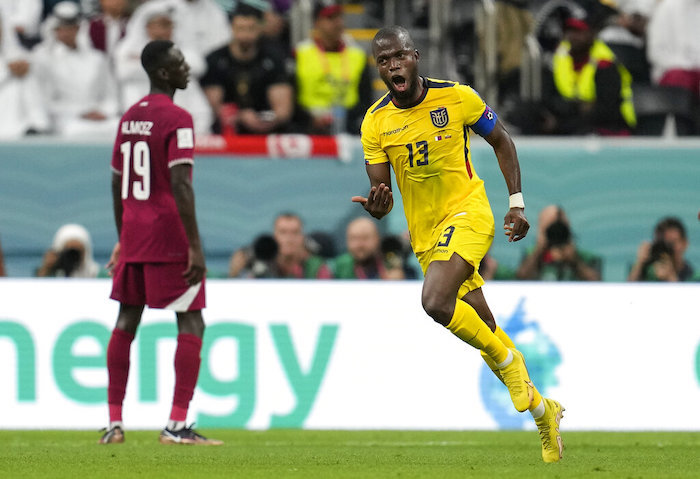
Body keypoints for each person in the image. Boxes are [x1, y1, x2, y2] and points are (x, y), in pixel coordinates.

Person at [352, 26, 564, 463]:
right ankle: (546, 413)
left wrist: (517, 204)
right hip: (427, 235)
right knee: (482, 324)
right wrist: (377, 205)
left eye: (399, 56)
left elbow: (502, 140)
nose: (393, 65)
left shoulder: (457, 97)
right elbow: (381, 191)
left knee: (433, 301)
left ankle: (511, 363)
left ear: (415, 57)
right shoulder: (375, 122)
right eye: (383, 61)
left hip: (469, 213)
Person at [100, 39, 221, 446]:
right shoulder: (179, 118)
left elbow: (117, 182)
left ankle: (114, 424)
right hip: (168, 234)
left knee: (125, 322)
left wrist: (122, 239)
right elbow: (180, 184)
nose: (188, 68)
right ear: (165, 72)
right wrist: (195, 246)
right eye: (181, 63)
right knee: (191, 320)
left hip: (134, 232)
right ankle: (176, 425)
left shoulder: (129, 118)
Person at [113, 1, 213, 134]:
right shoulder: (128, 48)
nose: (164, 31)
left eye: (168, 26)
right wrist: (169, 65)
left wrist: (150, 65)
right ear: (147, 27)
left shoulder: (183, 51)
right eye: (159, 25)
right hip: (143, 123)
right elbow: (124, 71)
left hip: (183, 129)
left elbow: (198, 66)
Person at [199, 3, 294, 134]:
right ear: (231, 28)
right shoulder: (215, 60)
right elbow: (213, 107)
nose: (245, 35)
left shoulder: (274, 59)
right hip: (227, 131)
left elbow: (283, 110)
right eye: (241, 28)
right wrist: (240, 116)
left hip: (268, 130)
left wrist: (265, 121)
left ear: (260, 28)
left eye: (251, 28)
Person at [542, 6, 636, 135]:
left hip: (612, 126)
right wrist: (578, 106)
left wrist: (566, 114)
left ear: (592, 34)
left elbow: (605, 110)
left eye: (579, 32)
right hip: (574, 121)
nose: (573, 36)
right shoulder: (559, 57)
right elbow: (550, 97)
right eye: (570, 31)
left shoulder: (605, 61)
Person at [32, 1, 120, 138]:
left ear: (78, 29)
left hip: (100, 116)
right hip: (65, 118)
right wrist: (81, 112)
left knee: (120, 127)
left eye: (71, 28)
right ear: (55, 30)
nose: (67, 32)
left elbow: (111, 95)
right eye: (62, 28)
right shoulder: (43, 59)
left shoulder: (96, 58)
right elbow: (45, 101)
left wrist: (104, 112)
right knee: (76, 131)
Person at [294, 0, 372, 135]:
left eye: (339, 17)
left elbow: (366, 99)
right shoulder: (300, 54)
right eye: (330, 18)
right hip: (308, 127)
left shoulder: (358, 55)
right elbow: (293, 97)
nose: (338, 23)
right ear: (317, 23)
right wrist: (310, 118)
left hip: (348, 126)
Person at [516, 205, 601, 281]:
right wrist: (539, 251)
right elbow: (521, 278)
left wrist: (575, 261)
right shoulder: (530, 255)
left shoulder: (586, 257)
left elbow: (596, 282)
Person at [647, 0, 700, 100]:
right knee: (680, 77)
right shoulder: (667, 7)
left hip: (696, 71)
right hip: (673, 70)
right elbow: (656, 53)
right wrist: (687, 66)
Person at [332, 217, 406, 280]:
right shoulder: (339, 266)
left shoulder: (391, 263)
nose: (359, 244)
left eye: (365, 238)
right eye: (354, 239)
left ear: (377, 239)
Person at [628, 216, 695, 282]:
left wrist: (671, 279)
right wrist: (639, 265)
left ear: (685, 244)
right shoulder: (646, 272)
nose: (665, 249)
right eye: (661, 244)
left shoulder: (694, 278)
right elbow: (628, 289)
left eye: (671, 243)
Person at [36, 223, 100, 278]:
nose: (73, 256)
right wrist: (47, 268)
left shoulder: (99, 275)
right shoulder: (51, 275)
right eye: (69, 251)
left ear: (87, 252)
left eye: (77, 251)